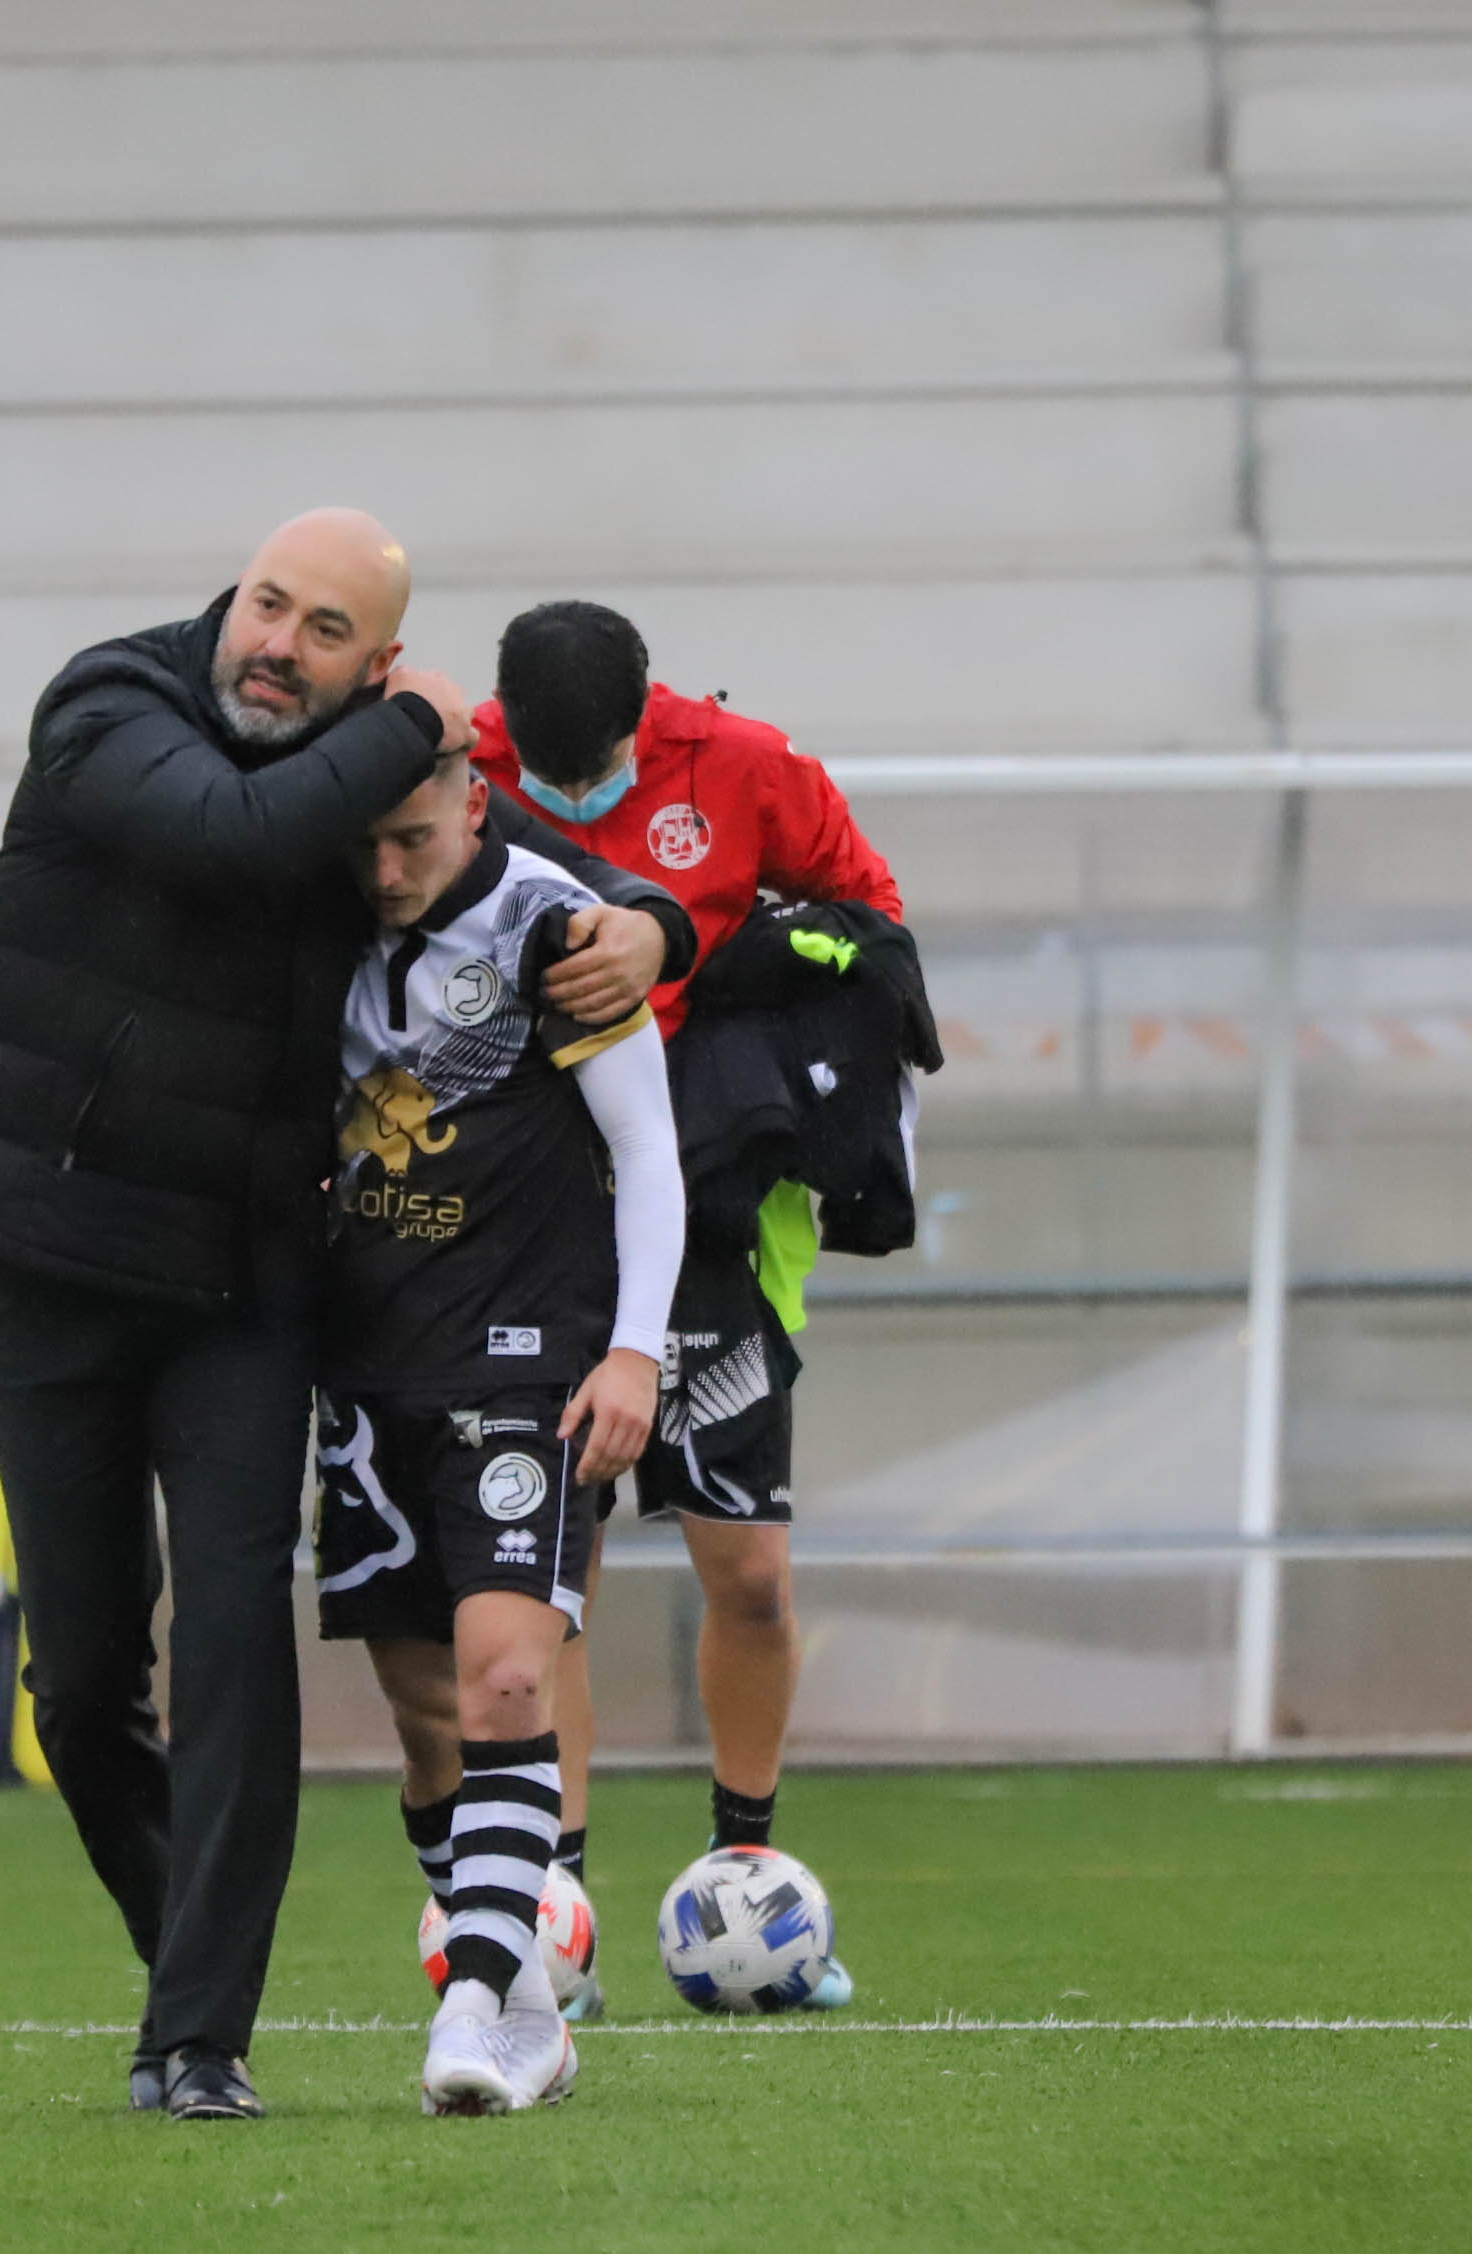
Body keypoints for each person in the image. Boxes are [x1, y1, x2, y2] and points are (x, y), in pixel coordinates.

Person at [0, 513, 693, 2121]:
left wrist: (655, 917)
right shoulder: (111, 703)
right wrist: (424, 718)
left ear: (370, 661)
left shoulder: (372, 785)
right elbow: (226, 832)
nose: (279, 641)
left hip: (246, 1287)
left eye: (326, 626)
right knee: (82, 1683)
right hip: (54, 1260)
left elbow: (494, 865)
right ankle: (197, 1957)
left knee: (241, 1634)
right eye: (269, 605)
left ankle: (207, 2031)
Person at [469, 599, 909, 2016]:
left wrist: (694, 960)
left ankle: (749, 1873)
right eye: (541, 774)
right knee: (556, 1581)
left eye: (586, 772)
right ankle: (559, 1910)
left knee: (755, 1573)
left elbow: (873, 923)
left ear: (645, 717)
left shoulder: (747, 765)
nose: (565, 796)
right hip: (533, 1206)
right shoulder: (463, 766)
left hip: (711, 1204)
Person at [309, 752, 683, 2114]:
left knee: (509, 1684)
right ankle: (529, 1998)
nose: (388, 872)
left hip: (527, 1365)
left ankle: (470, 2008)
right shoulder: (314, 915)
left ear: (475, 799)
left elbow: (648, 1148)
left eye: (411, 840)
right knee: (426, 1726)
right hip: (364, 1379)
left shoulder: (554, 928)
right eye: (368, 846)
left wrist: (636, 1344)